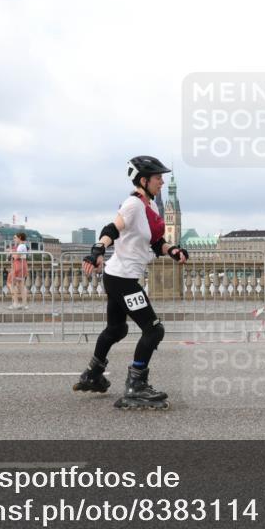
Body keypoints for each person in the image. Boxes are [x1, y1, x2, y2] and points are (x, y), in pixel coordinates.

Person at [75, 156, 189, 410]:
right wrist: (97, 250)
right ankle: (136, 385)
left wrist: (173, 251)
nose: (162, 181)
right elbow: (112, 228)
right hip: (123, 279)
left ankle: (93, 373)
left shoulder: (152, 208)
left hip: (118, 276)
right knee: (154, 330)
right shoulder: (133, 205)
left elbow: (157, 242)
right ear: (144, 180)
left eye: (162, 177)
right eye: (158, 177)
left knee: (117, 330)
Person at [8, 232, 29, 310]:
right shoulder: (23, 246)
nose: (14, 239)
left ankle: (16, 303)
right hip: (22, 265)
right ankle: (24, 304)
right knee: (21, 286)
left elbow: (17, 256)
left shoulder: (20, 246)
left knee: (10, 283)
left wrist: (11, 253)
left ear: (19, 237)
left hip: (18, 265)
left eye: (15, 237)